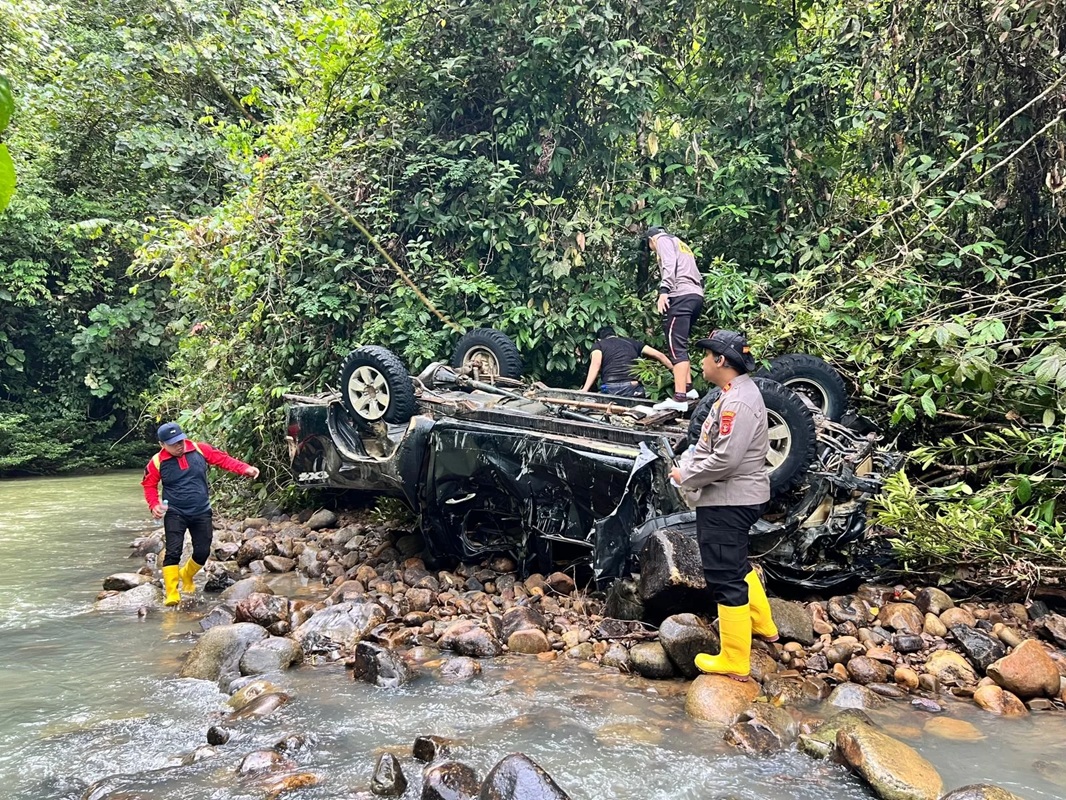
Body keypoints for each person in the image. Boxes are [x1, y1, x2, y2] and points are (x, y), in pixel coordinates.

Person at [669, 329, 777, 680]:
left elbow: (725, 460)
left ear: (721, 361)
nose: (700, 361)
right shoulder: (731, 394)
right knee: (735, 561)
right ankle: (762, 623)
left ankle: (734, 659)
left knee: (724, 573)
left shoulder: (738, 402)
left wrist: (687, 477)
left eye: (706, 355)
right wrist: (687, 465)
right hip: (735, 496)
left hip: (730, 500)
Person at [141, 422, 260, 606]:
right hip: (175, 512)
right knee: (173, 551)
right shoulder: (157, 462)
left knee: (203, 552)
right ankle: (172, 593)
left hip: (201, 511)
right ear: (162, 444)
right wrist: (154, 505)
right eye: (173, 444)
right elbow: (149, 485)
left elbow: (224, 460)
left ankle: (186, 574)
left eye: (180, 440)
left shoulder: (200, 449)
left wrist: (245, 469)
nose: (179, 446)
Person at [645, 227, 705, 412]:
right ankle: (688, 390)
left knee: (675, 345)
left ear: (651, 240)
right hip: (696, 296)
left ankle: (679, 398)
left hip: (680, 296)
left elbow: (669, 265)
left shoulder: (662, 240)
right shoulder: (680, 243)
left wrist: (664, 291)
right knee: (681, 343)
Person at [579, 326, 675, 397]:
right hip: (633, 385)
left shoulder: (599, 345)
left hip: (611, 386)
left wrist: (585, 390)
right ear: (616, 335)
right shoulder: (632, 342)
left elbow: (596, 365)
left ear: (599, 339)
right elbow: (660, 355)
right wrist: (675, 373)